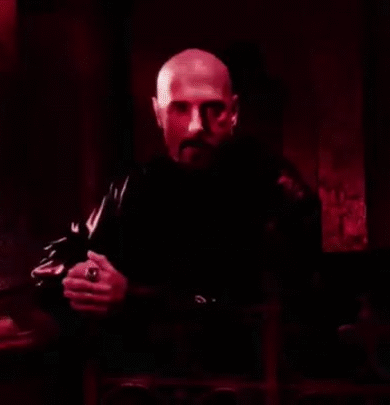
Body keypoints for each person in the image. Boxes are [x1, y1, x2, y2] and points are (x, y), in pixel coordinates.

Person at [31, 48, 321, 378]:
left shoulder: (274, 188)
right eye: (180, 109)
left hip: (242, 382)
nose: (196, 127)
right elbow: (59, 260)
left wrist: (132, 297)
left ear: (234, 112)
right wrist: (86, 278)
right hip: (146, 384)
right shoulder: (136, 187)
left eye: (213, 109)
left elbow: (261, 303)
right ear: (158, 113)